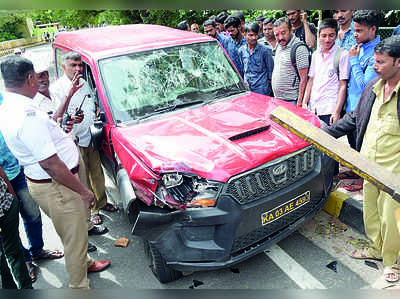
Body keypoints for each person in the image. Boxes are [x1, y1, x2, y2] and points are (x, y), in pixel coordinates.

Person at [0, 56, 111, 289]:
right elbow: (50, 163)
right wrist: (84, 191)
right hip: (58, 185)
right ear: (30, 78)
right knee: (74, 238)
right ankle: (79, 288)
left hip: (53, 183)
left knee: (72, 231)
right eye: (36, 77)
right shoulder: (26, 115)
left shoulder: (11, 106)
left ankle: (86, 262)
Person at [322, 35, 400, 284]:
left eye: (380, 62)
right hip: (369, 169)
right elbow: (355, 117)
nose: (374, 66)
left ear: (398, 62)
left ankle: (392, 262)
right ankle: (376, 249)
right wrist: (324, 134)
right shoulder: (373, 87)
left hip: (394, 174)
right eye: (374, 61)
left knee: (392, 220)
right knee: (372, 213)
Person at [50, 52, 117, 228]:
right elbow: (57, 117)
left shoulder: (85, 83)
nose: (78, 69)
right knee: (83, 177)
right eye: (73, 65)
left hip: (90, 135)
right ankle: (93, 211)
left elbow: (91, 104)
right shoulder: (57, 88)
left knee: (97, 173)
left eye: (80, 65)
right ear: (64, 67)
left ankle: (102, 202)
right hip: (72, 140)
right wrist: (71, 118)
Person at [344, 10, 382, 153]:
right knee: (353, 147)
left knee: (363, 150)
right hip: (350, 108)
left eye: (359, 31)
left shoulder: (377, 54)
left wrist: (353, 60)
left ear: (372, 29)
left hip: (363, 111)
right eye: (354, 30)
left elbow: (366, 86)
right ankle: (355, 173)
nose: (355, 34)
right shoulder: (358, 48)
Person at [302, 18, 350, 125]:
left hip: (329, 109)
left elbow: (343, 85)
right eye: (324, 36)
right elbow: (311, 80)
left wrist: (337, 112)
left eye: (331, 35)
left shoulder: (342, 55)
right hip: (313, 108)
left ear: (336, 36)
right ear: (319, 36)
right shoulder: (315, 55)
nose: (327, 39)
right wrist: (304, 102)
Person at [0, 166, 32, 289]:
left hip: (6, 205)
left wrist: (13, 196)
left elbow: (1, 170)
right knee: (2, 264)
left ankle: (27, 288)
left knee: (14, 251)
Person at [271, 17, 310, 106]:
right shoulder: (279, 46)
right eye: (277, 35)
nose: (280, 37)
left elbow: (304, 79)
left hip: (292, 100)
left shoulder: (299, 49)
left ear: (291, 30)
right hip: (278, 99)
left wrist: (299, 104)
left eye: (283, 33)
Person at [238, 22, 274, 96]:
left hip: (262, 89)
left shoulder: (265, 50)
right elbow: (243, 69)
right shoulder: (241, 51)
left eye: (256, 35)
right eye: (251, 35)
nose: (254, 38)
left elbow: (270, 72)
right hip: (248, 88)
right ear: (244, 34)